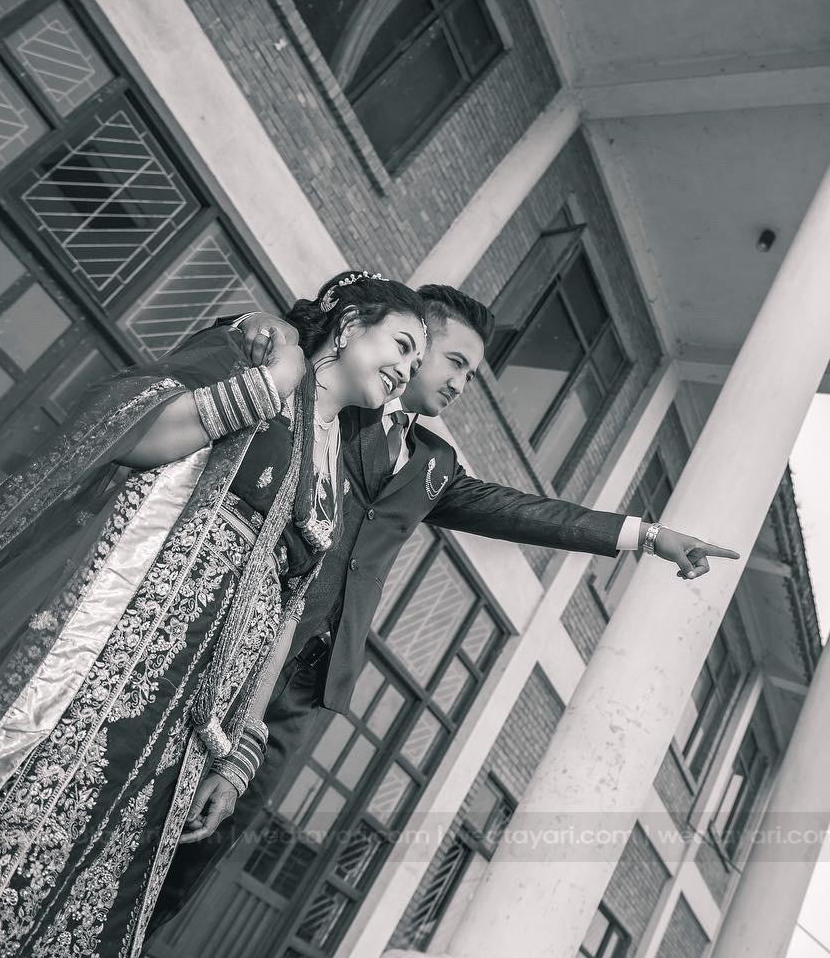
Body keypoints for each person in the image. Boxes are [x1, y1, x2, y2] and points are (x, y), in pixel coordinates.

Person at [0, 272, 427, 957]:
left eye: (416, 362)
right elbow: (133, 433)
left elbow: (286, 609)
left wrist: (238, 753)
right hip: (106, 650)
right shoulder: (262, 355)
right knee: (9, 811)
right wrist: (272, 381)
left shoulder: (337, 470)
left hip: (184, 712)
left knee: (79, 857)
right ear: (349, 324)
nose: (407, 369)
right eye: (402, 345)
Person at [149, 284, 737, 935]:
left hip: (311, 691)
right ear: (415, 342)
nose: (460, 383)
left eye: (471, 374)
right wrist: (267, 325)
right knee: (149, 803)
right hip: (244, 643)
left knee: (201, 852)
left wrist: (646, 536)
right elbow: (292, 337)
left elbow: (524, 513)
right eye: (453, 361)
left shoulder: (434, 461)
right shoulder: (341, 394)